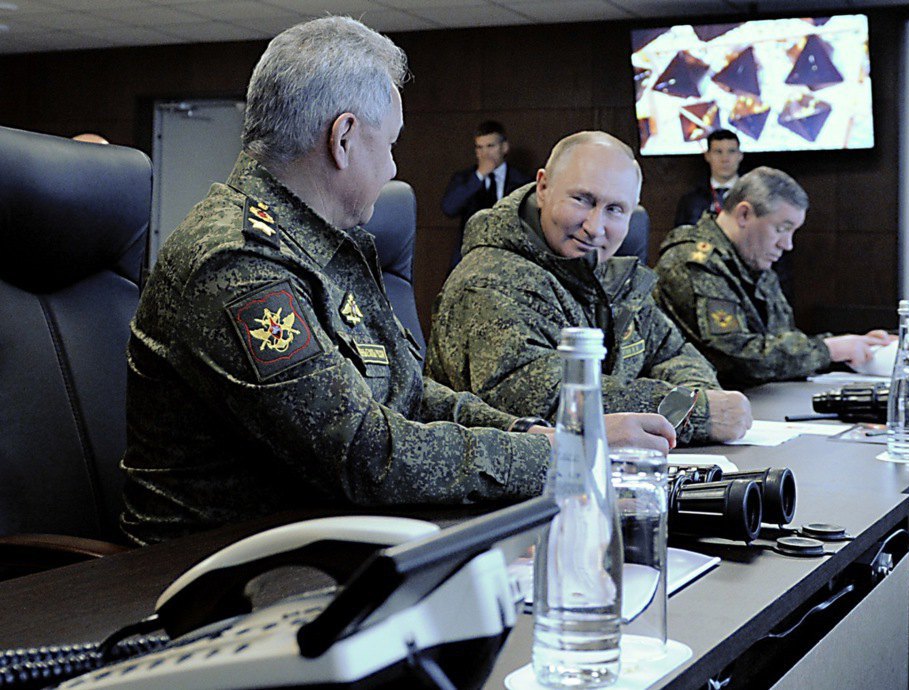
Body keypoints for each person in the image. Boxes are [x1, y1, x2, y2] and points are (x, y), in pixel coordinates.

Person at [120, 18, 675, 546]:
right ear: (343, 138)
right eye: (389, 145)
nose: (392, 169)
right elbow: (367, 455)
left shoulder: (329, 244)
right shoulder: (237, 263)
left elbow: (410, 393)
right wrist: (564, 457)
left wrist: (537, 438)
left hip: (325, 542)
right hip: (212, 580)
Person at [426, 131, 752, 446]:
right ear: (543, 187)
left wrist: (696, 396)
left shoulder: (603, 272)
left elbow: (673, 352)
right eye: (582, 200)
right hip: (520, 496)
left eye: (615, 210)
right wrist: (694, 411)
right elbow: (543, 401)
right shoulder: (489, 280)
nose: (595, 228)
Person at [654, 166, 893, 388]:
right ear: (744, 215)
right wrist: (827, 350)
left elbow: (778, 341)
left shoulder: (751, 258)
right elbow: (735, 357)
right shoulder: (693, 261)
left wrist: (851, 348)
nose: (787, 244)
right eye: (781, 229)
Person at [440, 120, 531, 267]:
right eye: (479, 147)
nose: (485, 153)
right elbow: (449, 208)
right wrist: (479, 176)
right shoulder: (465, 179)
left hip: (509, 258)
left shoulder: (522, 181)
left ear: (504, 147)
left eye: (490, 146)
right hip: (470, 258)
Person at [673, 129, 742, 228]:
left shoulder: (753, 196)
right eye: (718, 152)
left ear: (740, 155)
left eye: (731, 152)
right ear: (707, 156)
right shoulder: (690, 200)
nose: (725, 159)